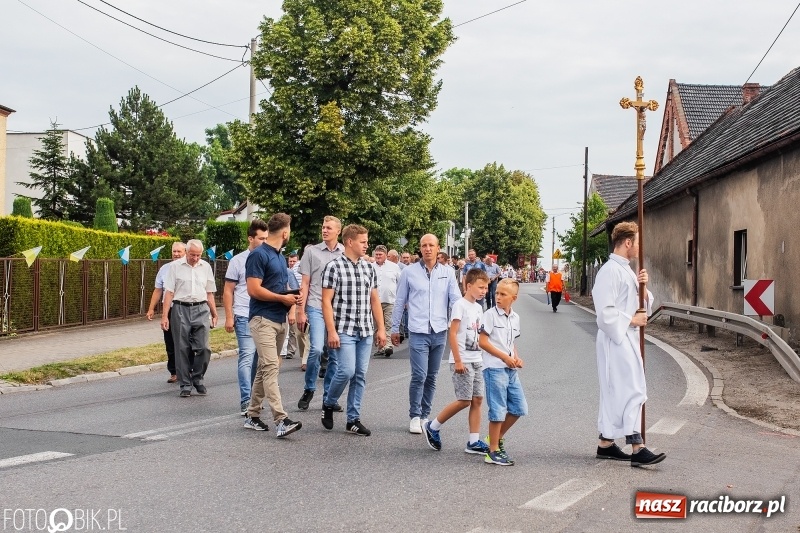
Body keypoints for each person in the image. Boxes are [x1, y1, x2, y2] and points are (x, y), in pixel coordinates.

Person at [593, 221, 665, 467]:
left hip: (627, 337)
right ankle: (637, 446)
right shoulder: (610, 271)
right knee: (631, 388)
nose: (640, 247)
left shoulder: (626, 271)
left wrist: (643, 289)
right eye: (638, 242)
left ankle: (606, 443)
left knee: (620, 389)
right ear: (627, 243)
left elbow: (636, 302)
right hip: (617, 338)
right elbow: (604, 312)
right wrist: (632, 319)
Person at [391, 234, 462, 434]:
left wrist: (462, 322)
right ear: (420, 249)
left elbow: (455, 299)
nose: (428, 248)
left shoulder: (448, 273)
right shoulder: (409, 272)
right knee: (419, 375)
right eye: (424, 245)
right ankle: (414, 415)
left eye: (431, 245)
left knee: (432, 376)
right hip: (418, 331)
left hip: (439, 331)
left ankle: (425, 415)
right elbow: (400, 301)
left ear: (438, 248)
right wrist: (394, 328)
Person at [320, 224, 387, 436]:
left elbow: (375, 300)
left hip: (365, 330)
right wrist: (331, 331)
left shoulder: (369, 268)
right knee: (346, 371)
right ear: (350, 242)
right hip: (344, 329)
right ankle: (329, 403)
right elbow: (326, 302)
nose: (367, 245)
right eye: (363, 242)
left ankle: (353, 419)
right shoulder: (334, 267)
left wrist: (381, 329)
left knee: (360, 375)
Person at [242, 213, 302, 438]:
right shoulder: (258, 255)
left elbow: (276, 287)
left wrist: (292, 297)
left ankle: (252, 415)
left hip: (279, 319)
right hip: (262, 319)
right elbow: (254, 289)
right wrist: (281, 299)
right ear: (285, 233)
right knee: (270, 368)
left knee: (264, 368)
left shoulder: (279, 256)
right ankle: (281, 419)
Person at [422, 268, 491, 455]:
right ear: (469, 286)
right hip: (462, 361)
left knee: (477, 400)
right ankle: (432, 426)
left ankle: (474, 441)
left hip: (477, 359)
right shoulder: (460, 305)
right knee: (464, 400)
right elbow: (452, 333)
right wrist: (458, 360)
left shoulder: (478, 308)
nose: (484, 291)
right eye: (481, 287)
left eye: (486, 288)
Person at [295, 216, 344, 411]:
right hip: (315, 305)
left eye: (329, 228)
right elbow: (304, 283)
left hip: (337, 309)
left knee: (334, 354)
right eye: (323, 227)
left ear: (338, 231)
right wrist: (301, 310)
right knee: (316, 349)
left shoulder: (344, 254)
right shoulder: (311, 252)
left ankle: (328, 397)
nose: (324, 230)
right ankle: (309, 388)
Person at [478, 278, 527, 465]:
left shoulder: (515, 318)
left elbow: (511, 342)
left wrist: (515, 357)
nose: (498, 297)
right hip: (494, 368)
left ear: (513, 298)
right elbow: (482, 342)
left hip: (510, 369)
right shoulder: (490, 315)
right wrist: (503, 357)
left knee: (519, 408)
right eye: (496, 293)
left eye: (503, 294)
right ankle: (492, 452)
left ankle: (495, 438)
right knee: (497, 410)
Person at [161, 239, 218, 397]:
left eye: (198, 255)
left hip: (201, 308)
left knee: (204, 348)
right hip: (180, 308)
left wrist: (214, 313)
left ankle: (197, 378)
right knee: (182, 348)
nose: (195, 258)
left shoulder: (205, 267)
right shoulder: (175, 267)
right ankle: (185, 384)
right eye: (192, 255)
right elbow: (169, 293)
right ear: (186, 252)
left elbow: (209, 292)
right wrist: (165, 316)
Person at [223, 219, 268, 415]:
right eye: (261, 238)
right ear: (250, 238)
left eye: (267, 238)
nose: (264, 242)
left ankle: (254, 398)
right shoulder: (238, 261)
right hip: (243, 314)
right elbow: (228, 290)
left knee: (261, 360)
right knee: (247, 357)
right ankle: (245, 399)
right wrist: (229, 317)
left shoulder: (269, 258)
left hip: (264, 315)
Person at [146, 241, 186, 383]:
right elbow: (158, 290)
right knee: (170, 341)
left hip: (185, 309)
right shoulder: (164, 269)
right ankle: (174, 372)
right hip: (169, 309)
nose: (176, 254)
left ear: (185, 253)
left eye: (179, 252)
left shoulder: (189, 268)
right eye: (174, 251)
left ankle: (188, 370)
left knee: (186, 341)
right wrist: (151, 308)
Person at [373, 245, 401, 358]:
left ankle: (388, 346)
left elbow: (401, 283)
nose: (378, 256)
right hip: (375, 302)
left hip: (389, 300)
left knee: (389, 323)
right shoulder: (370, 267)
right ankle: (381, 347)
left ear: (386, 255)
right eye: (376, 254)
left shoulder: (394, 267)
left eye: (380, 254)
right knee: (377, 326)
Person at [286, 252, 309, 369]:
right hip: (299, 303)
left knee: (311, 333)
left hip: (313, 303)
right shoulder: (295, 269)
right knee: (300, 332)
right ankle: (304, 357)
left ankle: (307, 359)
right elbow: (293, 288)